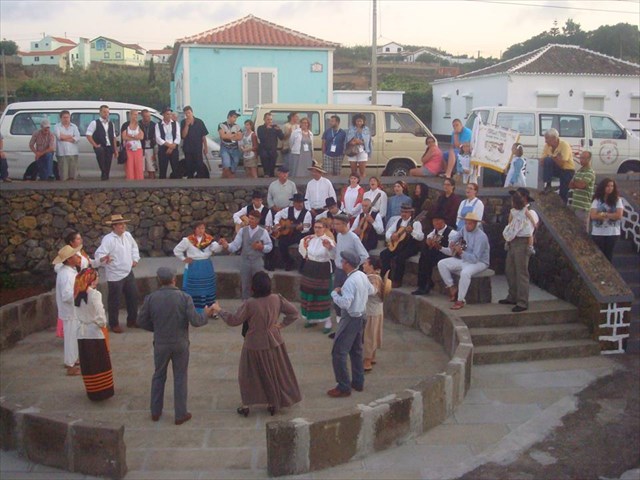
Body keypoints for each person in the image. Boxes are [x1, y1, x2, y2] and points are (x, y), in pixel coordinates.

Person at [212, 272, 301, 416]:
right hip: (274, 340)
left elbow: (234, 320)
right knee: (274, 372)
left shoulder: (250, 303)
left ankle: (247, 404)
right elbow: (294, 313)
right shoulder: (276, 298)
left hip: (254, 343)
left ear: (253, 287)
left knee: (249, 374)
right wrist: (282, 325)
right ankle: (273, 402)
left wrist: (219, 310)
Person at [137, 267, 214, 425]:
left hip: (160, 343)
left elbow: (141, 321)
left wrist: (157, 328)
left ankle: (155, 411)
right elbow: (196, 321)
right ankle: (180, 413)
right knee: (180, 377)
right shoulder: (184, 297)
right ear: (174, 279)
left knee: (158, 376)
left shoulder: (151, 298)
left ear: (158, 280)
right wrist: (206, 313)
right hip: (180, 343)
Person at [328, 250, 375, 397]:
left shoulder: (349, 281)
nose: (341, 263)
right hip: (361, 316)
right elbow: (371, 290)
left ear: (347, 264)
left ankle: (343, 386)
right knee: (356, 351)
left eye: (343, 261)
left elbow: (345, 304)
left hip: (351, 318)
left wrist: (335, 293)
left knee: (338, 353)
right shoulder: (361, 275)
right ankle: (358, 382)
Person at [94, 214, 140, 333]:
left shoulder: (128, 236)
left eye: (123, 224)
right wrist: (104, 258)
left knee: (133, 297)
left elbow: (134, 248)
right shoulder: (108, 239)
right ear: (114, 226)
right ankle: (114, 324)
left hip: (128, 271)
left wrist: (135, 259)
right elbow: (99, 254)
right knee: (114, 300)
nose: (123, 226)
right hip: (115, 274)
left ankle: (132, 320)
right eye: (120, 224)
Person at [74, 268, 114, 401]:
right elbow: (101, 317)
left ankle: (92, 390)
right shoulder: (95, 295)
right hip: (94, 332)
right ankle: (103, 391)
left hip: (81, 333)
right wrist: (101, 324)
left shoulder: (77, 294)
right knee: (99, 362)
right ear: (92, 280)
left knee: (88, 363)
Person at [325, 214, 369, 335]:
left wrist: (352, 267)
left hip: (348, 273)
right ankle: (340, 328)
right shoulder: (339, 235)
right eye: (334, 223)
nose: (334, 226)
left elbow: (364, 256)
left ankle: (349, 329)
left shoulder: (353, 238)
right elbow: (338, 254)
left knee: (347, 301)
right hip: (339, 270)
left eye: (337, 224)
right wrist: (330, 248)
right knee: (337, 301)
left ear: (345, 224)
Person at [438, 212, 490, 310]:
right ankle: (451, 287)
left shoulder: (481, 236)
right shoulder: (464, 229)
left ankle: (460, 300)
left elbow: (475, 258)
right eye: (466, 223)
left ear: (475, 224)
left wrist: (461, 253)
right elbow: (455, 237)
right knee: (442, 263)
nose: (467, 226)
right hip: (465, 258)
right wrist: (452, 243)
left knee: (465, 273)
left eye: (470, 223)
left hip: (480, 262)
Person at [220, 210, 273, 298]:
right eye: (249, 218)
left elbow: (270, 246)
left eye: (252, 219)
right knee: (245, 286)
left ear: (257, 220)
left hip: (257, 262)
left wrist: (262, 247)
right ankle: (246, 306)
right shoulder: (242, 231)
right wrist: (227, 246)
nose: (250, 221)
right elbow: (235, 245)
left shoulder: (263, 232)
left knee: (258, 285)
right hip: (245, 262)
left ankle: (258, 306)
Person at [499, 191, 536, 313]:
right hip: (513, 241)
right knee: (510, 270)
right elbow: (510, 224)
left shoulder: (530, 212)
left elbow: (532, 228)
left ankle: (522, 301)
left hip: (523, 241)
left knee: (521, 272)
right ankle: (512, 296)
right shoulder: (514, 212)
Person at [173, 222, 222, 312]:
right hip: (194, 266)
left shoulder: (209, 240)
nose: (201, 230)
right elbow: (177, 250)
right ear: (195, 229)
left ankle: (210, 309)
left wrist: (220, 244)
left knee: (207, 287)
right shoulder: (188, 240)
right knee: (195, 288)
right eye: (199, 228)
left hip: (206, 266)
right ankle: (195, 310)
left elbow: (216, 249)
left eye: (202, 228)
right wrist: (184, 259)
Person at [299, 220, 336, 332]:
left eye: (320, 227)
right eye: (315, 227)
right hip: (309, 268)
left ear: (324, 228)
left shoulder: (329, 241)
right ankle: (311, 319)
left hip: (322, 269)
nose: (317, 229)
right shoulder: (309, 239)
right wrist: (305, 252)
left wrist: (329, 248)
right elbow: (303, 250)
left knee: (322, 296)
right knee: (308, 294)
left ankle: (327, 321)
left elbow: (334, 256)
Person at [380, 203, 424, 288]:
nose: (404, 214)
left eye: (406, 212)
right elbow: (388, 232)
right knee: (384, 254)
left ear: (410, 213)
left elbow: (421, 237)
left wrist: (412, 232)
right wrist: (392, 236)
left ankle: (397, 280)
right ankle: (385, 277)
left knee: (400, 258)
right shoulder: (398, 221)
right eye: (402, 212)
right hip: (398, 245)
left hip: (411, 246)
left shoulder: (416, 223)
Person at [53, 245, 82, 375]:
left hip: (72, 311)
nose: (78, 257)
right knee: (70, 338)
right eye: (75, 255)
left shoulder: (69, 271)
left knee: (74, 336)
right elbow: (66, 295)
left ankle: (73, 359)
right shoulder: (66, 274)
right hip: (70, 311)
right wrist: (80, 293)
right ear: (69, 259)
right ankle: (70, 364)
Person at [413, 210, 454, 296]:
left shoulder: (452, 233)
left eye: (437, 220)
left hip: (446, 255)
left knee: (427, 258)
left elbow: (451, 252)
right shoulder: (435, 231)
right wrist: (428, 240)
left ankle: (426, 284)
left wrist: (440, 248)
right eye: (434, 220)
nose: (435, 223)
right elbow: (429, 236)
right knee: (424, 257)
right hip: (435, 254)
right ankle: (423, 285)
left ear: (443, 221)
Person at [271, 193, 312, 271]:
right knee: (281, 243)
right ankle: (288, 261)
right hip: (289, 233)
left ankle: (303, 265)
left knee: (303, 244)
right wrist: (277, 223)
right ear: (294, 203)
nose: (299, 204)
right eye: (297, 202)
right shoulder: (287, 210)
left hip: (301, 234)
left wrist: (301, 228)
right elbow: (278, 215)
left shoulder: (307, 213)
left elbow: (307, 227)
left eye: (301, 202)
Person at [590, 178, 623, 262]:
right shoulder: (597, 200)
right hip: (598, 232)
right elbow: (593, 215)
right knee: (599, 255)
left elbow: (619, 215)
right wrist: (611, 215)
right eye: (607, 186)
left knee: (608, 255)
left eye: (612, 186)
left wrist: (604, 215)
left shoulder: (617, 200)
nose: (610, 188)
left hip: (612, 232)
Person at [542, 128, 575, 204]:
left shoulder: (564, 145)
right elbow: (542, 161)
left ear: (554, 138)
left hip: (567, 170)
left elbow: (562, 164)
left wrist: (551, 157)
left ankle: (564, 207)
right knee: (548, 160)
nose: (545, 141)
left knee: (563, 193)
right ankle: (548, 185)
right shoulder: (547, 146)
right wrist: (555, 158)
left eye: (547, 138)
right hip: (557, 168)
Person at [362, 257, 384, 372]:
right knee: (373, 334)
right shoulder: (375, 277)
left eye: (365, 263)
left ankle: (367, 361)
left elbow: (373, 291)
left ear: (371, 266)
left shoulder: (373, 278)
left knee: (369, 336)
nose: (363, 265)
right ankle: (372, 356)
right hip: (376, 310)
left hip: (371, 311)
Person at [86, 105, 117, 181]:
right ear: (100, 112)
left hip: (109, 146)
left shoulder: (111, 124)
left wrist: (115, 149)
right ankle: (104, 176)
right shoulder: (94, 123)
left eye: (107, 112)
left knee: (108, 163)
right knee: (102, 162)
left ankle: (106, 178)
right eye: (104, 112)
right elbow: (88, 135)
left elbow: (113, 137)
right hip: (100, 146)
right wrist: (95, 145)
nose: (106, 114)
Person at [569, 151, 596, 231]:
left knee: (582, 231)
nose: (581, 160)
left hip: (583, 207)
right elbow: (570, 185)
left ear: (589, 159)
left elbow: (582, 185)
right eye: (580, 158)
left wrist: (576, 183)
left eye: (583, 158)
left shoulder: (590, 172)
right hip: (575, 205)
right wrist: (578, 183)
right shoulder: (579, 171)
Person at [180, 106, 209, 179]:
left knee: (199, 166)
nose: (188, 115)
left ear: (192, 112)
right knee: (189, 167)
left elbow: (203, 136)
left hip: (197, 148)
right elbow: (183, 135)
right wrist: (187, 125)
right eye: (186, 113)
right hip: (188, 148)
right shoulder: (183, 122)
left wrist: (205, 147)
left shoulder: (199, 122)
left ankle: (200, 182)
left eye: (189, 113)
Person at [53, 110, 80, 181]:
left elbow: (77, 138)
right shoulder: (57, 126)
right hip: (62, 153)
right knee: (63, 175)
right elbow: (59, 137)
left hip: (73, 152)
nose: (66, 119)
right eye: (64, 117)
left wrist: (64, 137)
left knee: (73, 174)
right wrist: (71, 136)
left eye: (67, 117)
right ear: (61, 118)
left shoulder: (74, 126)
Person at [155, 107, 181, 179]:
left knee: (175, 169)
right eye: (167, 114)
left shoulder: (176, 124)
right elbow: (158, 138)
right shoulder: (158, 125)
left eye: (170, 114)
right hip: (163, 149)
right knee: (163, 170)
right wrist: (169, 145)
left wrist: (172, 146)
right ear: (163, 115)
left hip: (174, 148)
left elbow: (178, 136)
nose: (169, 116)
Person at [257, 112, 284, 178]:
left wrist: (279, 130)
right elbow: (261, 137)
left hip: (273, 151)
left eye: (271, 119)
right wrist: (267, 129)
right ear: (264, 119)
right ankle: (265, 182)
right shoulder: (260, 128)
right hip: (264, 151)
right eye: (268, 119)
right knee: (266, 170)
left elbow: (281, 137)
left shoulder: (275, 128)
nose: (270, 121)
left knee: (272, 169)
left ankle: (271, 182)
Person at [219, 110, 243, 178]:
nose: (235, 119)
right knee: (226, 166)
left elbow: (240, 137)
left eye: (236, 118)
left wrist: (228, 135)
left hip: (234, 148)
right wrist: (235, 135)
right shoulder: (222, 125)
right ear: (229, 116)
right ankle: (227, 181)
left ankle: (229, 179)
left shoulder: (237, 126)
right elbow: (223, 136)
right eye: (234, 117)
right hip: (225, 147)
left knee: (234, 165)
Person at [121, 109, 144, 180]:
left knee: (138, 166)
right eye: (134, 114)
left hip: (138, 148)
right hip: (128, 149)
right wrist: (135, 137)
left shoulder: (140, 125)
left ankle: (139, 180)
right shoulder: (125, 125)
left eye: (137, 115)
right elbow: (124, 137)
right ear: (130, 115)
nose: (136, 116)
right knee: (129, 166)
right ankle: (130, 180)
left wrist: (131, 136)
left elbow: (141, 137)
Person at [140, 109, 157, 179]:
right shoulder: (139, 124)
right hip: (141, 147)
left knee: (151, 168)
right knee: (141, 168)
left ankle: (152, 184)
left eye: (149, 116)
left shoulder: (154, 125)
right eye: (146, 116)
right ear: (142, 116)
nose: (148, 118)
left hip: (150, 148)